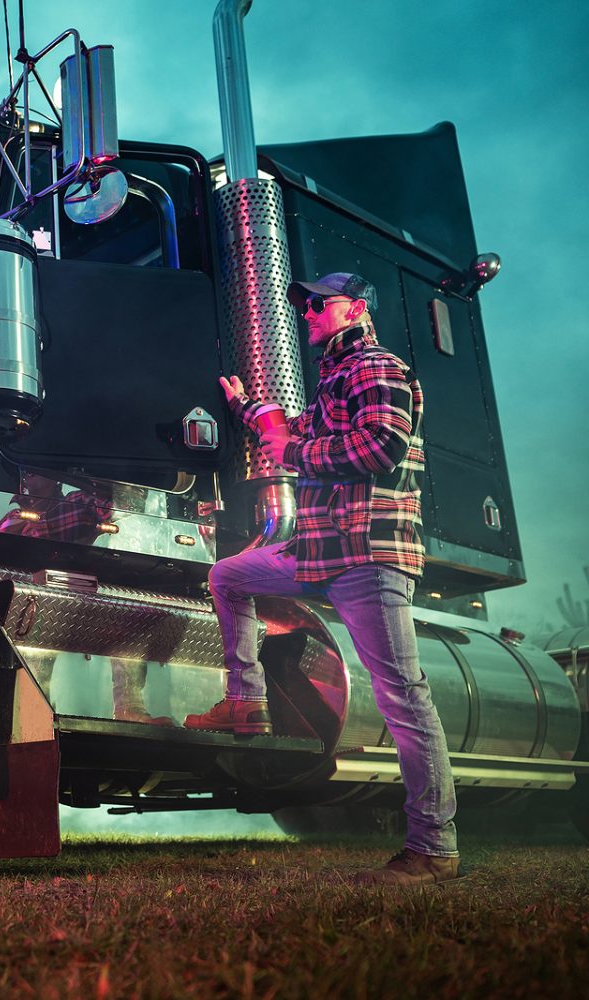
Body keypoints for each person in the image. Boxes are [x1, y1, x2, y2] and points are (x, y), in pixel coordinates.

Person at [185, 271, 460, 885]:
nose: (307, 313)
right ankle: (246, 702)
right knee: (229, 575)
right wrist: (250, 410)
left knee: (403, 698)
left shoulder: (374, 366)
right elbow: (298, 430)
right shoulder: (337, 377)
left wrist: (288, 454)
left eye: (319, 304)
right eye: (304, 306)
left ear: (355, 309)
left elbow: (379, 449)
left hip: (366, 555)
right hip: (319, 553)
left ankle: (433, 847)